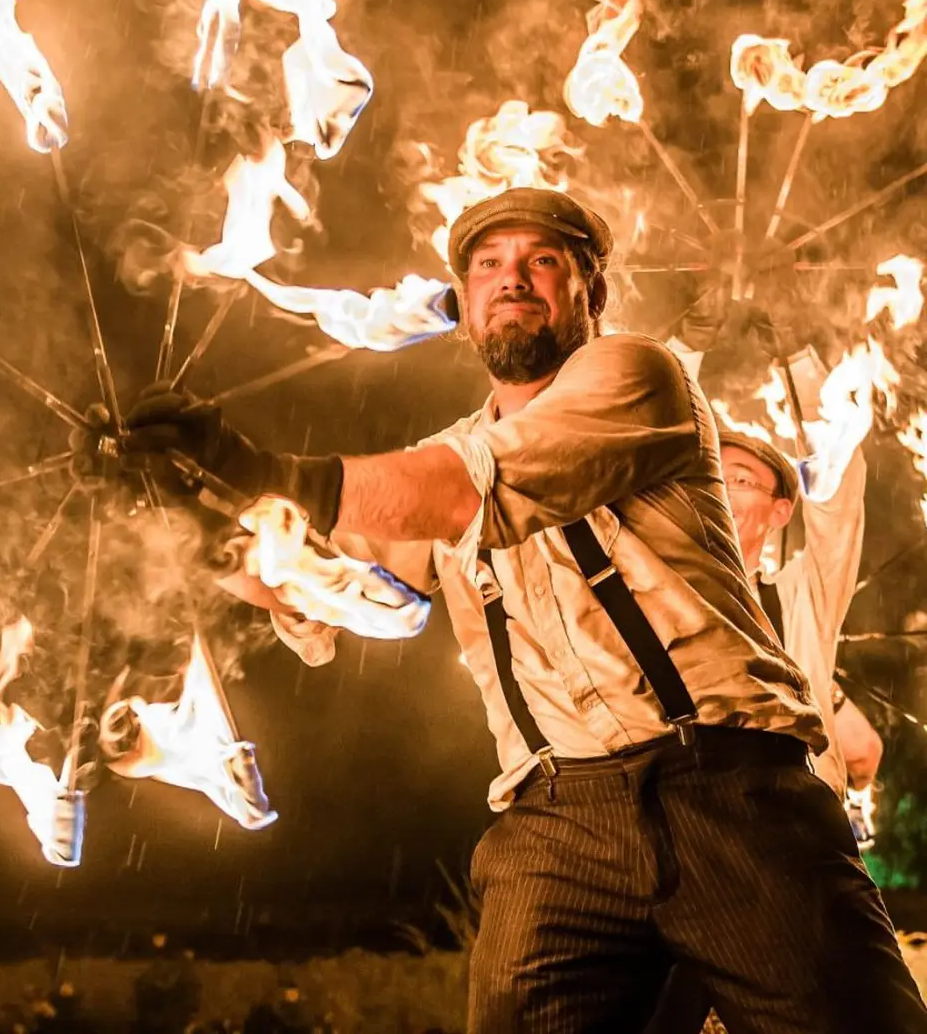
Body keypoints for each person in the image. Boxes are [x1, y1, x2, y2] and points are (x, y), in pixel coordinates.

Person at [122, 187, 927, 1033]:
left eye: (543, 261)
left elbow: (470, 492)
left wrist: (258, 466)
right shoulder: (445, 453)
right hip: (554, 825)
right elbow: (319, 576)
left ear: (592, 293)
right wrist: (184, 513)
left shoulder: (642, 377)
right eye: (487, 266)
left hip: (726, 791)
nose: (512, 278)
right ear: (467, 308)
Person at [645, 346, 885, 1032]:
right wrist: (681, 352)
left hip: (790, 863)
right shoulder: (644, 588)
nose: (720, 482)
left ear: (780, 511)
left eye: (743, 477)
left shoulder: (795, 602)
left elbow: (838, 504)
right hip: (678, 863)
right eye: (715, 468)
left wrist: (810, 361)